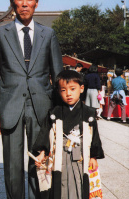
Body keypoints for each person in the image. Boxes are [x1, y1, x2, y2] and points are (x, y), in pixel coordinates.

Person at [0, 0, 63, 198]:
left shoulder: (48, 34)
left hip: (41, 106)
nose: (25, 4)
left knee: (39, 159)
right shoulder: (0, 34)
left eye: (30, 0)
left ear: (36, 3)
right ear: (13, 4)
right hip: (10, 105)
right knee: (12, 162)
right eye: (20, 0)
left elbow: (58, 75)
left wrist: (59, 111)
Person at [33, 70, 104, 199]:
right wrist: (42, 152)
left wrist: (94, 156)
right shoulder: (54, 113)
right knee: (60, 185)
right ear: (59, 92)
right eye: (63, 90)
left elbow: (94, 136)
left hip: (81, 157)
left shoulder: (89, 113)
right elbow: (45, 133)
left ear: (81, 89)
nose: (68, 94)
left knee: (80, 182)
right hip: (60, 156)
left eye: (72, 89)